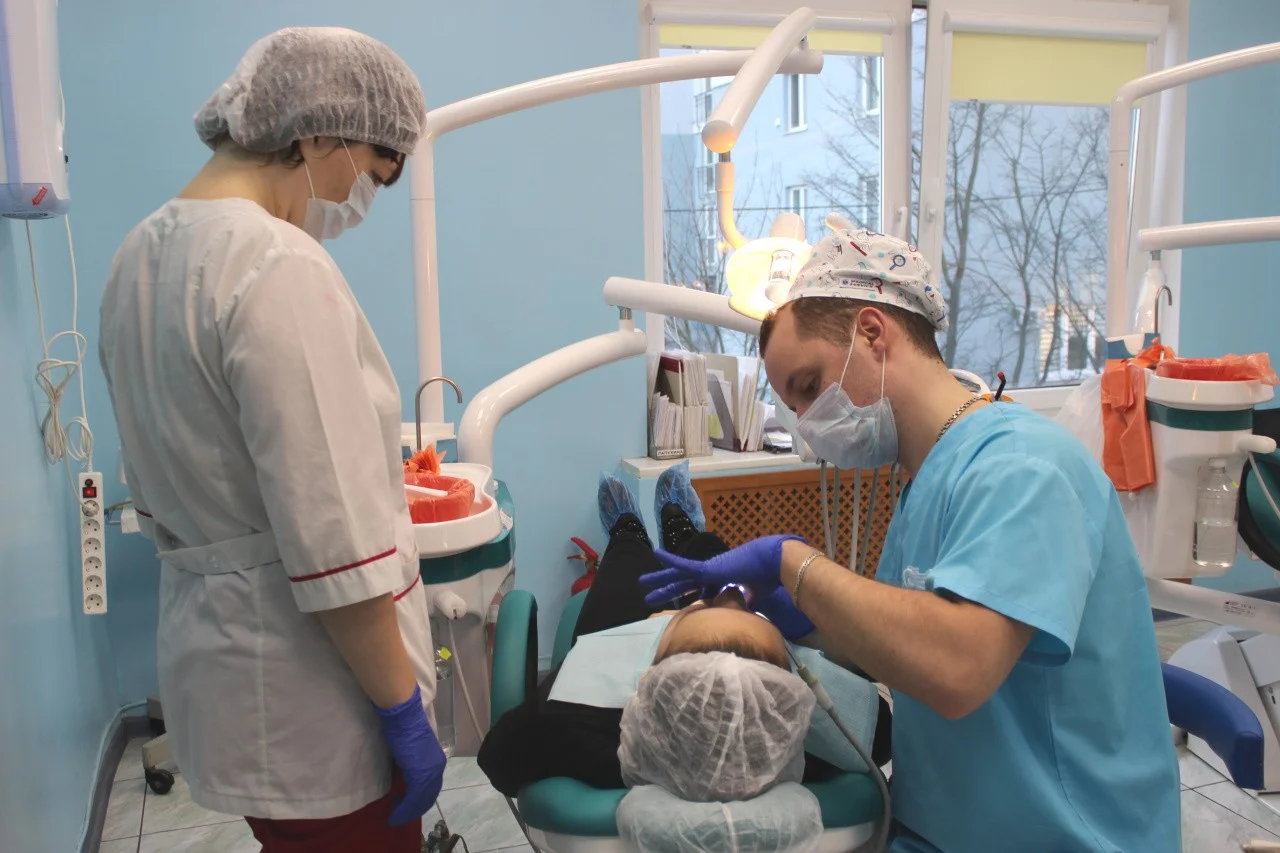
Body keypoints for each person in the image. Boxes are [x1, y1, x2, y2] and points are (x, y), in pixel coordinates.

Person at [641, 228, 1181, 852]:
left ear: (873, 332)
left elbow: (956, 668)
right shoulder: (926, 479)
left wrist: (794, 564)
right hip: (947, 827)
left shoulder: (1021, 469)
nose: (810, 425)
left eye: (811, 386)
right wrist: (804, 618)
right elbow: (900, 647)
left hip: (1066, 837)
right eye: (795, 407)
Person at [98, 28, 443, 852]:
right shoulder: (276, 262)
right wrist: (402, 711)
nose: (358, 204)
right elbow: (336, 545)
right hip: (313, 693)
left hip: (218, 664)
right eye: (371, 174)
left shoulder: (138, 256)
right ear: (319, 133)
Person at [477, 466, 890, 799]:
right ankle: (686, 534)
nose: (723, 596)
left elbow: (497, 759)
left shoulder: (571, 721)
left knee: (628, 564)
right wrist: (806, 624)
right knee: (709, 558)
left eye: (695, 610)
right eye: (751, 614)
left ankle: (628, 534)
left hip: (607, 680)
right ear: (787, 682)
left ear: (653, 669)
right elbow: (882, 723)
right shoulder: (805, 732)